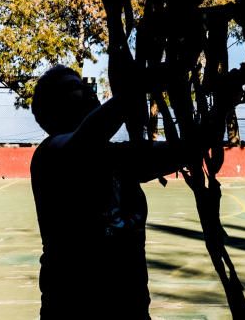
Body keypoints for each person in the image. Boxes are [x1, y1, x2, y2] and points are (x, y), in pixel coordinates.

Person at [30, 65, 180, 319]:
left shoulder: (116, 156)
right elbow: (87, 139)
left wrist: (220, 105)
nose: (87, 90)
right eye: (73, 88)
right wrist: (138, 87)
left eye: (85, 84)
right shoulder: (51, 155)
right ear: (54, 109)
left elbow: (182, 151)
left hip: (131, 308)